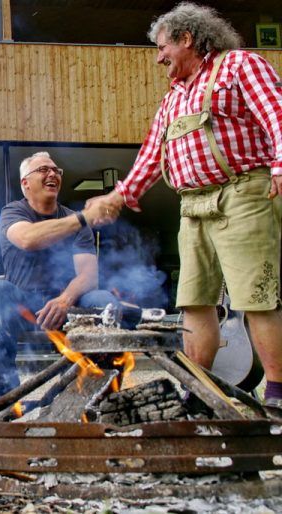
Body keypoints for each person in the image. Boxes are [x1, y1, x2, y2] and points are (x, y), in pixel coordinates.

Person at [89, 3, 282, 409]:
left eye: (162, 47)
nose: (159, 57)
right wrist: (119, 196)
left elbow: (276, 114)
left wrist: (280, 164)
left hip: (243, 193)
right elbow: (149, 157)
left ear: (187, 39)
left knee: (255, 296)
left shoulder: (239, 65)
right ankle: (200, 390)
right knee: (194, 299)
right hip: (192, 207)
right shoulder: (172, 99)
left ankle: (278, 393)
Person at [0, 152, 118, 399]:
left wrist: (65, 299)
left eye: (56, 170)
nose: (52, 174)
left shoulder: (75, 220)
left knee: (103, 299)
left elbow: (89, 276)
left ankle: (96, 394)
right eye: (43, 170)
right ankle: (5, 397)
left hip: (69, 304)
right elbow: (27, 239)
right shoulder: (12, 212)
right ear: (25, 183)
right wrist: (82, 218)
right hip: (26, 306)